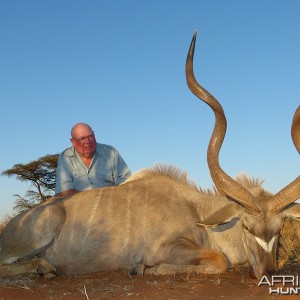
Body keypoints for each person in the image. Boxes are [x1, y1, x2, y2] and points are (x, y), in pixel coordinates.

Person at [55, 123, 131, 197]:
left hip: (110, 205)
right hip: (78, 207)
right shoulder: (65, 158)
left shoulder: (110, 152)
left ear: (94, 135)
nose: (88, 142)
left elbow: (126, 182)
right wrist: (94, 200)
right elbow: (64, 192)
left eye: (90, 136)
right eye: (82, 139)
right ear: (73, 142)